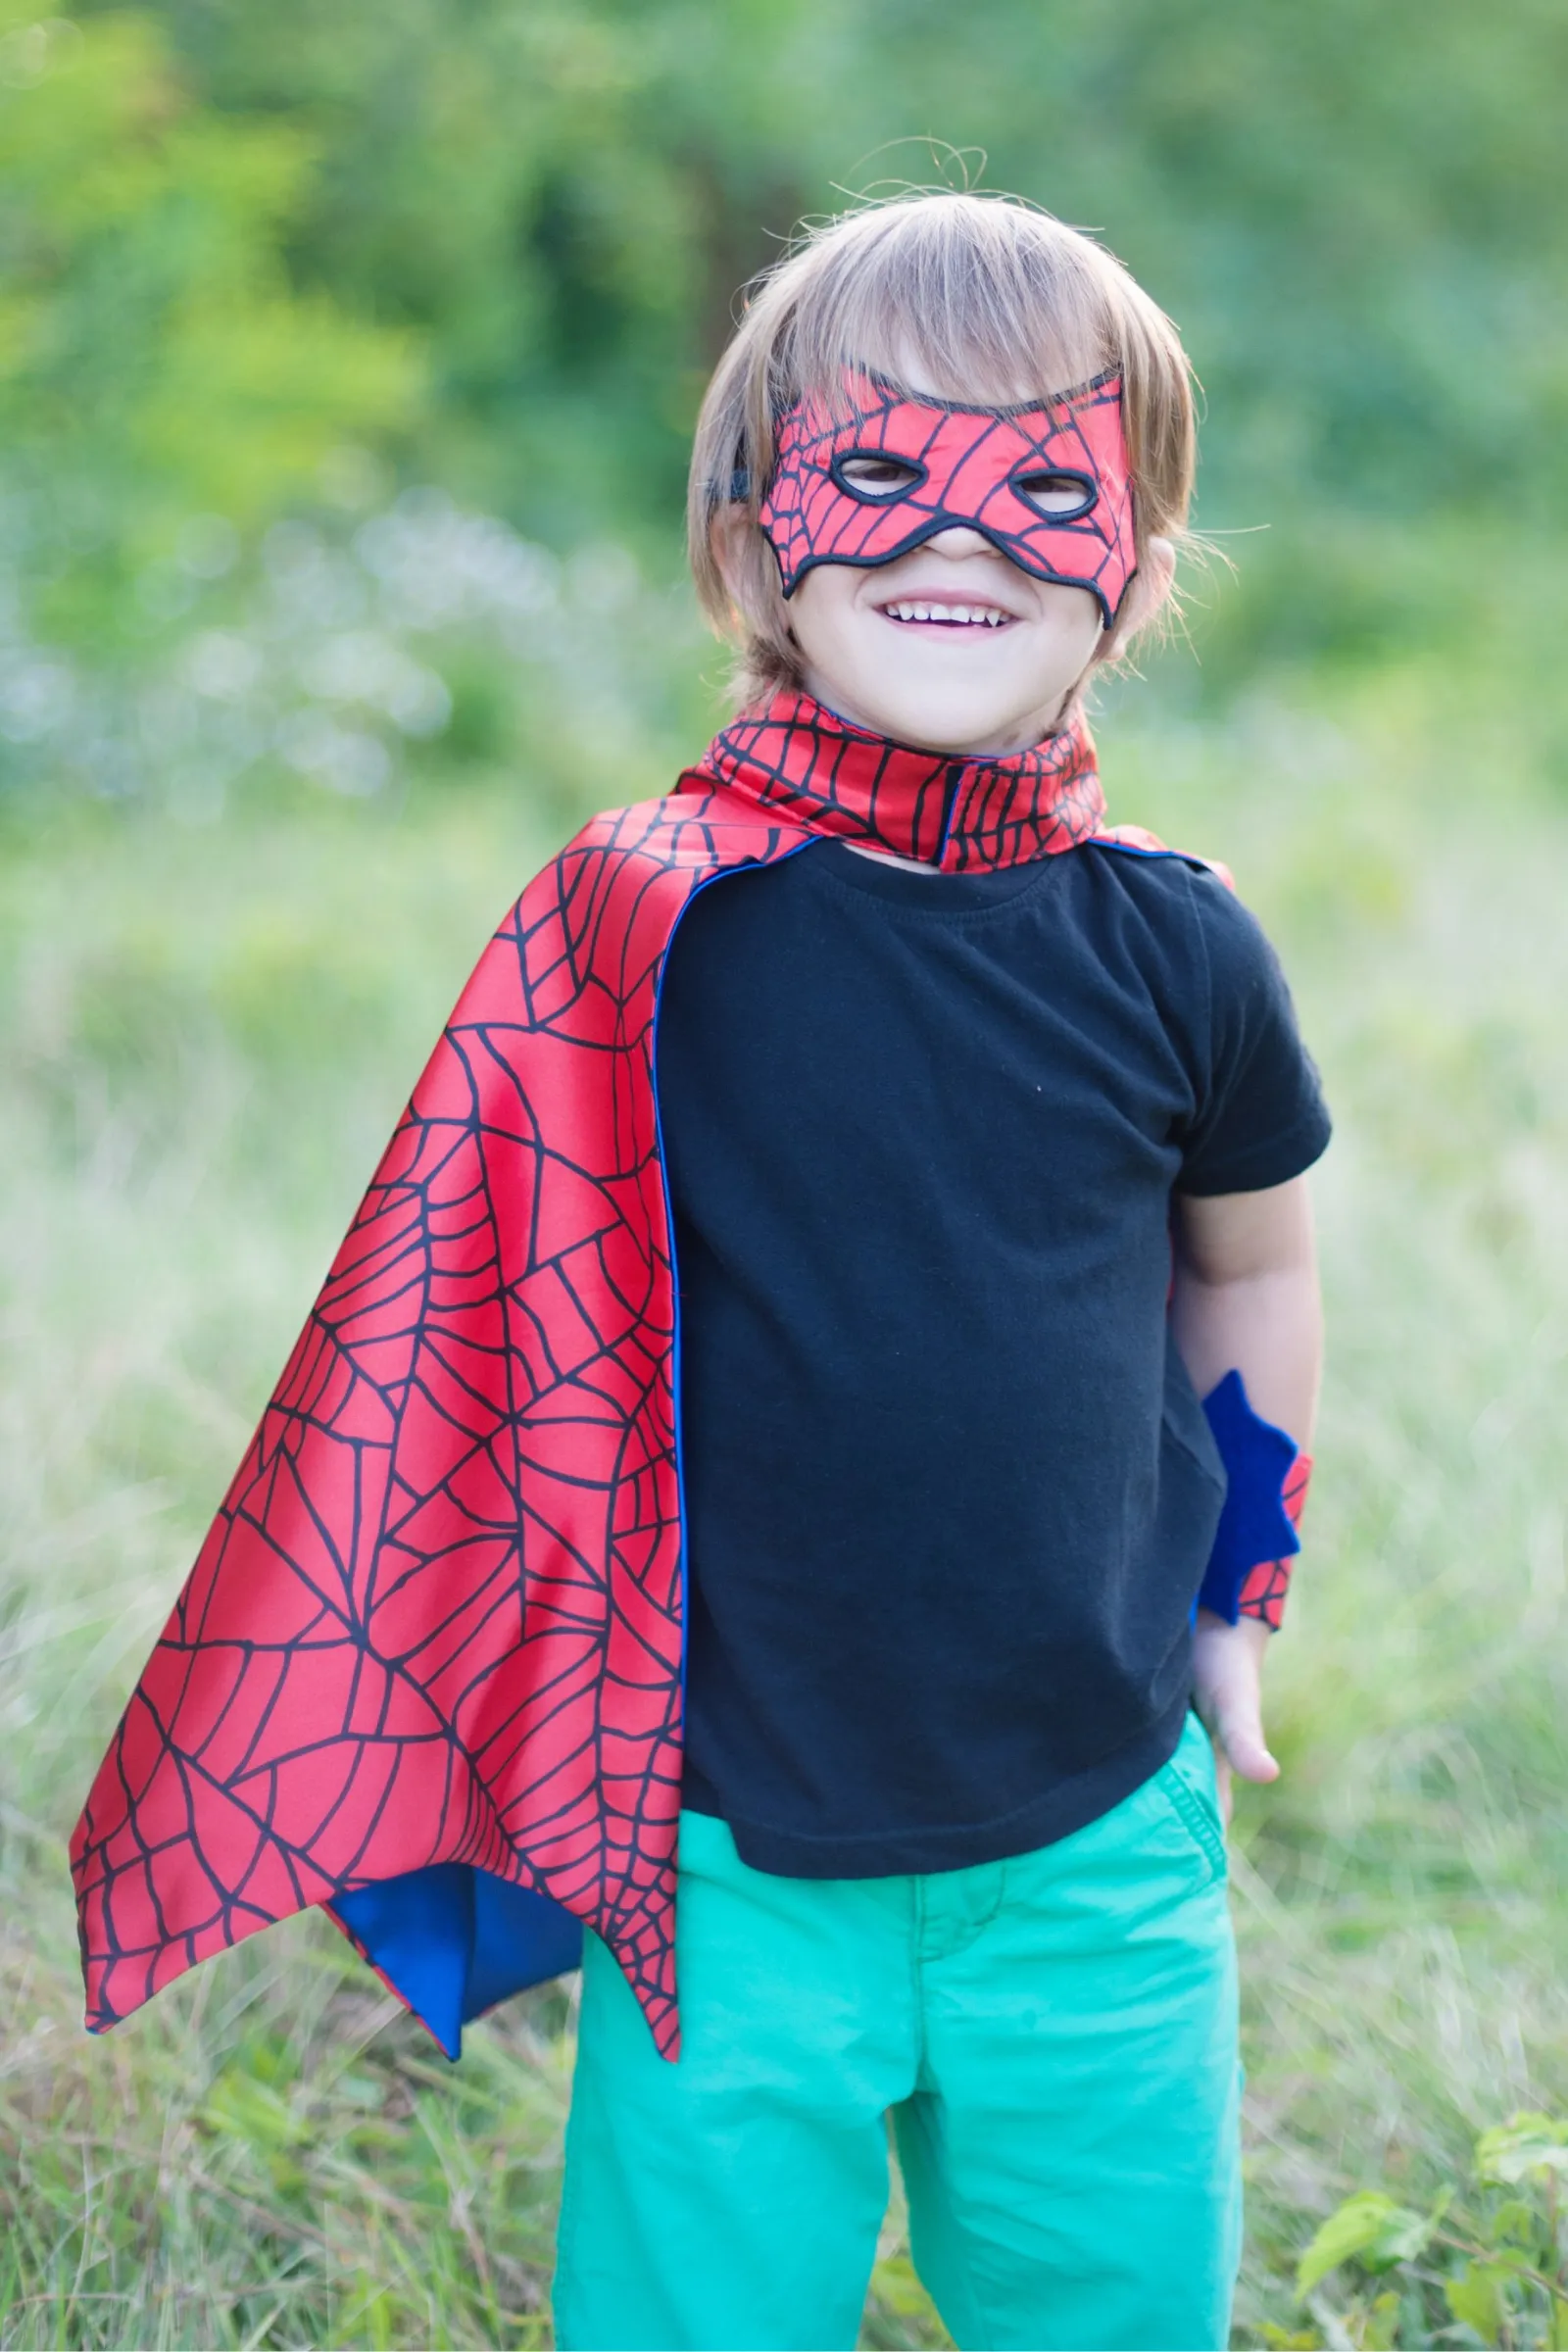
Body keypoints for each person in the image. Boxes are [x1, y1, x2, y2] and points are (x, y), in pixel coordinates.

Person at [71, 192, 1327, 2352]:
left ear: (1131, 564)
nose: (966, 541)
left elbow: (1249, 1266)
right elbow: (464, 1324)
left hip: (1096, 1837)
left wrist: (1243, 1591)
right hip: (719, 1854)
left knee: (1116, 2308)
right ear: (754, 549)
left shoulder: (1174, 944)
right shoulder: (642, 922)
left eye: (1047, 484)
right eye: (877, 469)